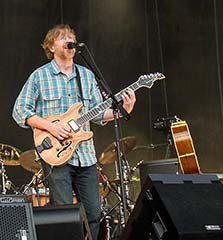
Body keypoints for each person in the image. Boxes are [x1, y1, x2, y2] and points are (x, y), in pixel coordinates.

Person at [12, 24, 136, 240]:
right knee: (64, 212)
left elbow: (98, 114)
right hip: (56, 156)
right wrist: (51, 127)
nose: (69, 40)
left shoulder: (86, 76)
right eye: (62, 38)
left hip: (85, 155)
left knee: (94, 213)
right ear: (51, 46)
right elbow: (20, 111)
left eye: (71, 37)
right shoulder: (40, 76)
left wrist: (122, 110)